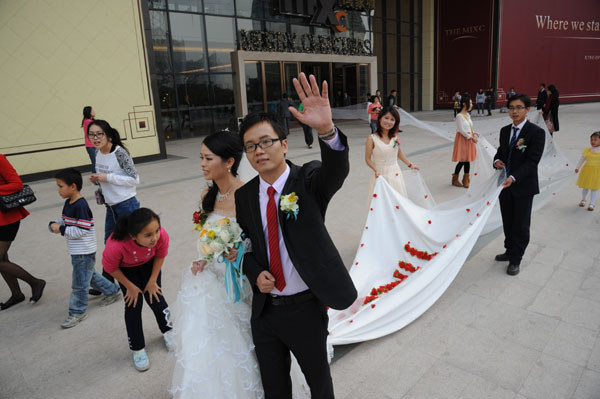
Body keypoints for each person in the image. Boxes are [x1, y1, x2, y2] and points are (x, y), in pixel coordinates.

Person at [235, 73, 357, 398]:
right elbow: (244, 248)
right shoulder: (245, 196)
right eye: (250, 146)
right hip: (265, 313)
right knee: (274, 390)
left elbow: (337, 170)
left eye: (266, 142)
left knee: (319, 386)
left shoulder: (309, 179)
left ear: (284, 144)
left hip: (305, 309)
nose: (259, 151)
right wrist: (254, 271)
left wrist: (326, 131)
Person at [168, 131, 266, 398]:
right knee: (203, 337)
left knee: (243, 340)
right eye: (201, 157)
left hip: (238, 280)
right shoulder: (207, 194)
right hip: (210, 279)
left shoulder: (247, 194)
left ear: (229, 162)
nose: (202, 163)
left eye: (208, 158)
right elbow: (205, 234)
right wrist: (203, 257)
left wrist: (239, 250)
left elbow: (259, 240)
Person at [49, 168, 121, 328]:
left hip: (83, 250)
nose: (58, 190)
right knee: (91, 276)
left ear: (73, 186)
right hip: (77, 251)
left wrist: (60, 230)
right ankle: (113, 291)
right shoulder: (69, 203)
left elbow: (82, 230)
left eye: (61, 186)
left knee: (80, 283)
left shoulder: (80, 206)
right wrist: (56, 224)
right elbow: (65, 221)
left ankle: (77, 312)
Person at [102, 208, 172, 371]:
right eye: (148, 235)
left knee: (156, 298)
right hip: (126, 271)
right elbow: (110, 268)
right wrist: (130, 287)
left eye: (156, 231)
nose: (154, 237)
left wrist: (153, 280)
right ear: (133, 236)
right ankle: (138, 348)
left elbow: (161, 255)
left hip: (149, 266)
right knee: (133, 306)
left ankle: (168, 331)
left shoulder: (161, 235)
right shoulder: (116, 245)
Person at [493, 94, 545, 276]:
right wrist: (497, 161)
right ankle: (509, 250)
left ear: (527, 109)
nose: (514, 111)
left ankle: (516, 259)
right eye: (511, 108)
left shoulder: (536, 133)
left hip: (523, 187)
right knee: (507, 221)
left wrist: (514, 177)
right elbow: (500, 152)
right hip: (505, 187)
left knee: (521, 225)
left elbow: (532, 162)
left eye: (519, 107)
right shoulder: (505, 131)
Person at [88, 120, 140, 284]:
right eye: (92, 135)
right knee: (109, 243)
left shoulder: (119, 153)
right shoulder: (98, 153)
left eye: (99, 134)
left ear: (108, 135)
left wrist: (106, 177)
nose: (95, 138)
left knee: (131, 242)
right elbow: (105, 177)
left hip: (126, 204)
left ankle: (136, 276)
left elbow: (134, 179)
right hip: (111, 206)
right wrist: (98, 180)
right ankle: (107, 283)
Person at [0, 155, 45, 310]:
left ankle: (35, 282)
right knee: (2, 258)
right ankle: (17, 294)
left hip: (6, 217)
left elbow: (17, 184)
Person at [365, 107, 418, 199]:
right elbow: (367, 159)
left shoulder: (395, 136)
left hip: (395, 173)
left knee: (397, 201)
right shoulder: (372, 138)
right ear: (380, 118)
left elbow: (399, 153)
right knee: (382, 202)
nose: (388, 122)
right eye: (386, 118)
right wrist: (375, 169)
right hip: (380, 174)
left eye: (392, 120)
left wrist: (410, 165)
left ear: (395, 123)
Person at [451, 94, 479, 188]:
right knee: (463, 160)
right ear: (464, 104)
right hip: (463, 139)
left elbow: (469, 127)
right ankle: (455, 178)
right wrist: (470, 137)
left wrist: (474, 133)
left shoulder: (468, 115)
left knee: (468, 160)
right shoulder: (459, 116)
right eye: (470, 103)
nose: (471, 105)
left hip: (469, 138)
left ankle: (466, 179)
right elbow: (461, 130)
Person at [575, 131, 600, 211]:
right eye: (591, 140)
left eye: (595, 140)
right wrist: (577, 167)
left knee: (594, 188)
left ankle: (592, 204)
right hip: (587, 171)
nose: (593, 141)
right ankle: (583, 200)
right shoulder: (588, 150)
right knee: (585, 187)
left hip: (597, 172)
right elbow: (582, 159)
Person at [82, 106, 96, 173]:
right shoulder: (89, 121)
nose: (94, 112)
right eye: (92, 111)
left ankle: (97, 177)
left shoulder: (85, 120)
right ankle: (95, 178)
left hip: (90, 145)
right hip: (91, 145)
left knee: (95, 162)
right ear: (89, 112)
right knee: (95, 162)